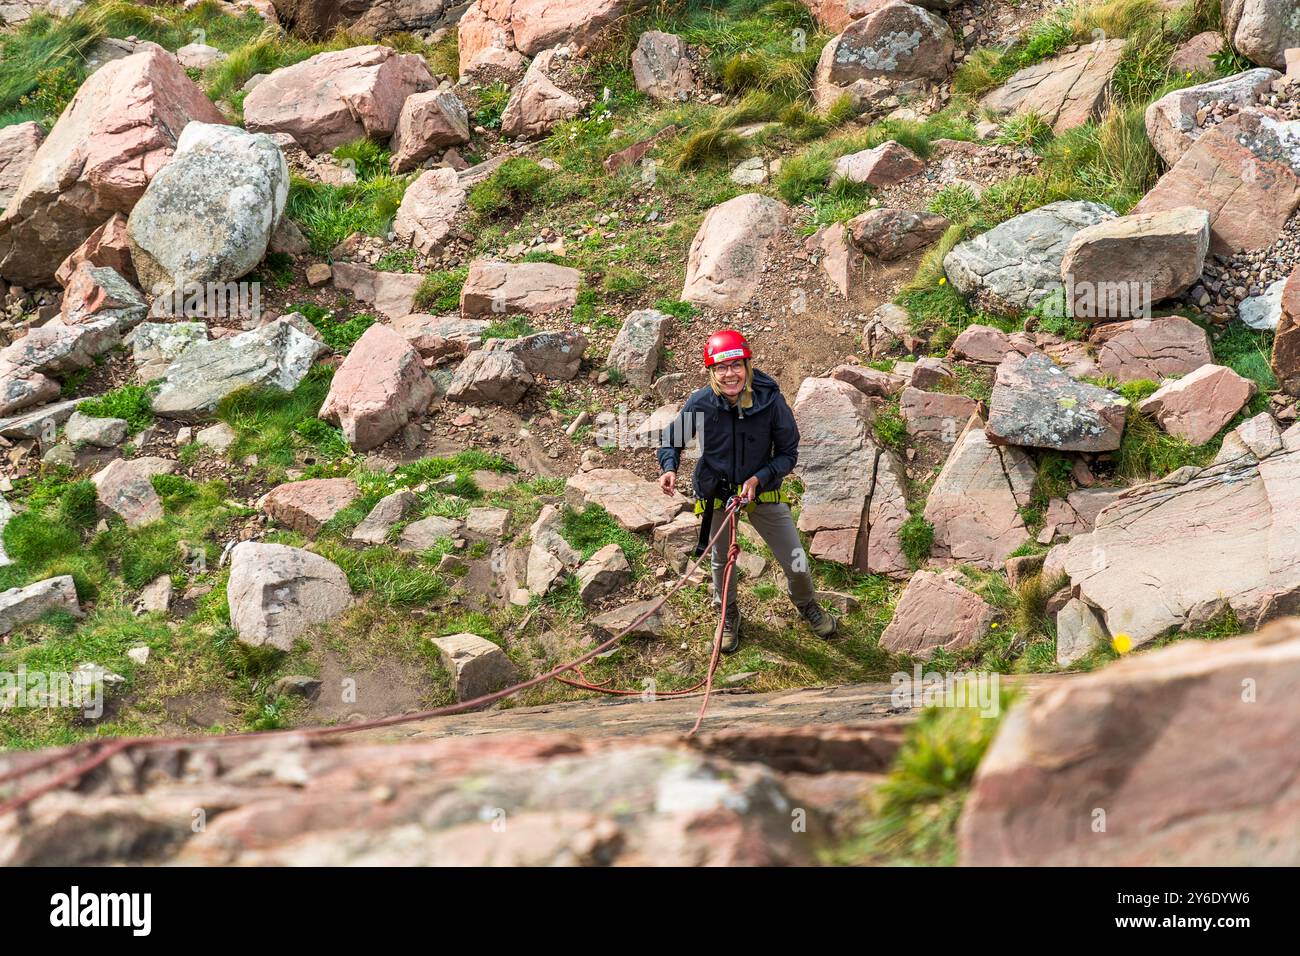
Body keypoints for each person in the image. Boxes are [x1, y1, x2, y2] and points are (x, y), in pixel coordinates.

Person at [656, 329, 838, 654]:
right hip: (716, 494)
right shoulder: (701, 404)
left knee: (796, 558)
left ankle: (807, 603)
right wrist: (669, 467)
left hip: (761, 491)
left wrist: (760, 477)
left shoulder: (770, 401)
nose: (730, 375)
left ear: (747, 365)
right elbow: (672, 439)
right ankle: (728, 614)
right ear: (712, 372)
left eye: (736, 365)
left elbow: (788, 452)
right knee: (721, 561)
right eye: (722, 368)